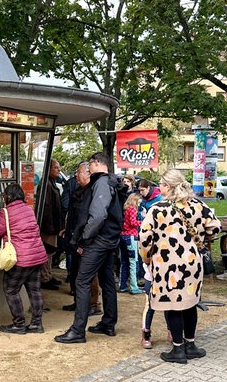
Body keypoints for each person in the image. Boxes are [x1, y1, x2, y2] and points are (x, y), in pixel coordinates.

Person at [139, 169, 220, 363]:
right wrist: (202, 238)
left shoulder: (157, 209)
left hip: (167, 266)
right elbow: (214, 226)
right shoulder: (198, 205)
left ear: (168, 187)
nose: (160, 187)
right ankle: (190, 345)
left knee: (173, 306)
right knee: (190, 304)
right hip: (193, 265)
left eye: (161, 184)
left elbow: (144, 238)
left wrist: (148, 259)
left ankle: (178, 349)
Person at [54, 152, 124, 344]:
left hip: (98, 241)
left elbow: (98, 215)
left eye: (89, 166)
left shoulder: (101, 182)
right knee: (107, 281)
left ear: (95, 164)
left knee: (82, 281)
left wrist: (85, 238)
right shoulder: (112, 181)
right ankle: (108, 323)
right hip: (109, 240)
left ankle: (78, 330)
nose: (87, 170)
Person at [0, 183, 48, 334]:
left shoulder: (6, 212)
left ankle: (18, 324)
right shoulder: (29, 210)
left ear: (8, 197)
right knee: (34, 290)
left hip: (20, 258)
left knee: (11, 289)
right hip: (36, 256)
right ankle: (36, 324)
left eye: (4, 196)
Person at [61, 161, 101, 316]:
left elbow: (91, 219)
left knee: (89, 274)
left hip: (86, 240)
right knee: (76, 271)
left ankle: (93, 304)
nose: (76, 175)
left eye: (79, 172)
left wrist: (84, 240)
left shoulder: (93, 192)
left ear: (88, 174)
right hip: (75, 237)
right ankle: (79, 302)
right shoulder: (80, 190)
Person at [39, 159, 63, 290]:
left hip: (53, 225)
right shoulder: (45, 184)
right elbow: (46, 208)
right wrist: (50, 227)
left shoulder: (51, 182)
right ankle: (44, 277)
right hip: (48, 226)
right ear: (48, 169)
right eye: (56, 168)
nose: (59, 170)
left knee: (50, 251)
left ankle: (48, 275)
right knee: (46, 251)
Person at [119, 193, 143, 294]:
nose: (139, 204)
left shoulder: (126, 209)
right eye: (139, 202)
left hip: (123, 236)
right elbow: (133, 222)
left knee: (124, 262)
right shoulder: (133, 209)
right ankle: (134, 287)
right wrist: (143, 221)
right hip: (131, 237)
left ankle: (122, 285)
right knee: (134, 262)